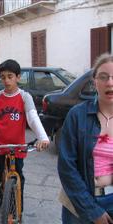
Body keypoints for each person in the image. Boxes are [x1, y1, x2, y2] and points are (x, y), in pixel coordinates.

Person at [0, 59, 50, 224]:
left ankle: (15, 212)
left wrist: (43, 138)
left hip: (17, 147)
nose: (6, 80)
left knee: (19, 180)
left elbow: (32, 117)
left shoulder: (25, 97)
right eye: (3, 77)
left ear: (18, 77)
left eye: (10, 76)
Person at [58, 53, 113, 224]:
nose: (110, 83)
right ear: (94, 81)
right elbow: (67, 167)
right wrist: (91, 210)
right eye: (103, 77)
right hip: (79, 205)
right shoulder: (77, 115)